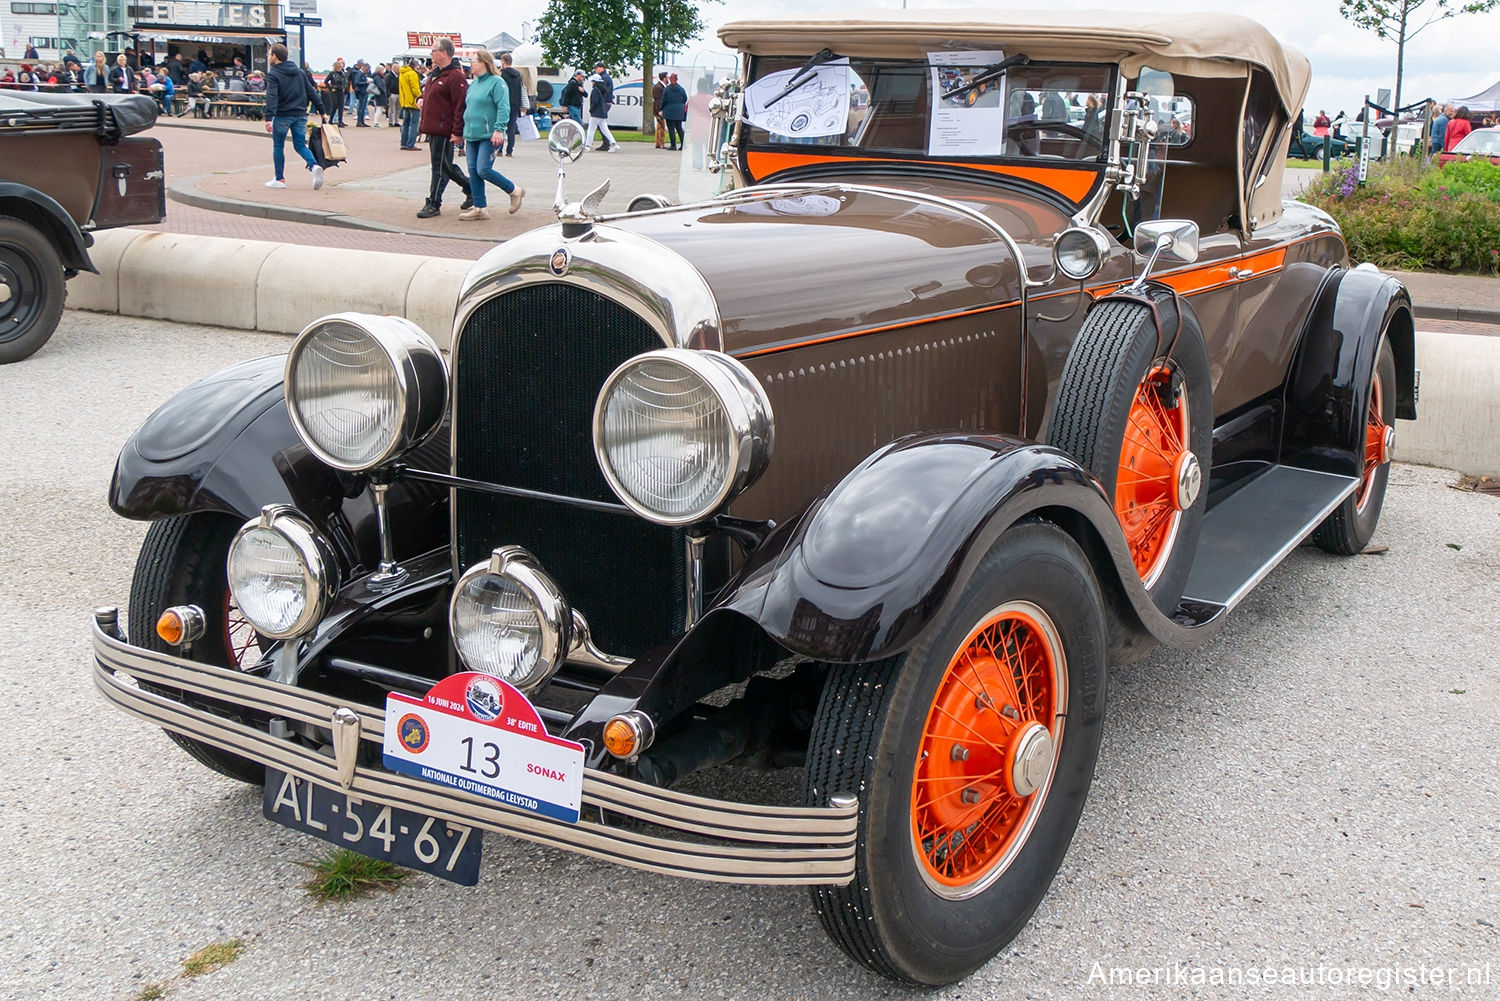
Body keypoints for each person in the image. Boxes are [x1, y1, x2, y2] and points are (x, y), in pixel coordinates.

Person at [460, 49, 524, 220]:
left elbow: (504, 107)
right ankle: (480, 208)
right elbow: (468, 107)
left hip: (489, 134)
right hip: (472, 134)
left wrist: (499, 129)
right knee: (473, 171)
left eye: (473, 61)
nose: (471, 64)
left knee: (483, 169)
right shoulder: (473, 84)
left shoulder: (497, 82)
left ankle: (514, 190)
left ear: (483, 63)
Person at [416, 37, 470, 218]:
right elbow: (432, 95)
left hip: (444, 130)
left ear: (444, 53)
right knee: (444, 165)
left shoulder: (455, 77)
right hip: (433, 128)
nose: (431, 54)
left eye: (434, 51)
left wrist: (457, 131)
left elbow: (460, 105)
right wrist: (421, 100)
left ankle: (434, 203)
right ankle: (471, 188)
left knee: (439, 167)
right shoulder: (436, 74)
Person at [262, 42, 325, 191]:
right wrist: (322, 111)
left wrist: (268, 117)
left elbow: (272, 96)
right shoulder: (300, 72)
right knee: (300, 145)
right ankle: (314, 165)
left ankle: (280, 179)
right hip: (300, 115)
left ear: (275, 56)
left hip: (283, 115)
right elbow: (311, 92)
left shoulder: (273, 74)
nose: (269, 56)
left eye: (270, 54)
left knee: (278, 146)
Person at [586, 64, 618, 151]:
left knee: (591, 129)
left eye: (597, 68)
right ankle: (613, 143)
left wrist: (591, 110)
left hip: (597, 111)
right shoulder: (603, 86)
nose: (595, 69)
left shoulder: (596, 89)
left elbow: (595, 102)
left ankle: (587, 145)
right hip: (602, 110)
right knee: (604, 128)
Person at [498, 51, 524, 157]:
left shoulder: (501, 74)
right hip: (515, 103)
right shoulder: (519, 75)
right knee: (512, 127)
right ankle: (509, 151)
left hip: (503, 103)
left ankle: (499, 149)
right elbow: (521, 90)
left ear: (503, 62)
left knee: (501, 126)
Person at [398, 59, 422, 150]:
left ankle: (403, 143)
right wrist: (420, 97)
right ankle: (410, 144)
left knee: (405, 123)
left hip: (404, 101)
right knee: (413, 124)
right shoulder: (412, 74)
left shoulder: (402, 73)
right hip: (413, 101)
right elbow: (415, 88)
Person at [660, 72, 687, 150]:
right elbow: (685, 98)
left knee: (671, 129)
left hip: (669, 111)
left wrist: (661, 108)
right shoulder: (681, 89)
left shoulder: (667, 89)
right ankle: (683, 144)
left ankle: (673, 145)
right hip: (679, 111)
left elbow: (663, 100)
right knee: (679, 128)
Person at [324, 59, 347, 125]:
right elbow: (326, 82)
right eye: (339, 67)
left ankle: (340, 121)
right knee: (334, 106)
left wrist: (344, 88)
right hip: (334, 92)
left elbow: (345, 82)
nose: (340, 68)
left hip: (341, 91)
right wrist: (331, 88)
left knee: (341, 107)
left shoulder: (343, 74)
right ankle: (331, 120)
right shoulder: (332, 74)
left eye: (341, 67)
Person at [351, 61, 370, 126]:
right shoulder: (359, 73)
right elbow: (357, 82)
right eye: (367, 69)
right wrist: (366, 82)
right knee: (361, 108)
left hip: (365, 92)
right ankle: (359, 122)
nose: (367, 71)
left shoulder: (363, 74)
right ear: (363, 67)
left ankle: (362, 121)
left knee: (363, 107)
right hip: (361, 92)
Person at [652, 71, 668, 147]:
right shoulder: (659, 87)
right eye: (667, 77)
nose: (668, 79)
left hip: (659, 109)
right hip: (659, 110)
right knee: (661, 126)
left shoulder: (660, 86)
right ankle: (661, 142)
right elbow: (658, 100)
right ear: (664, 78)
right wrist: (659, 110)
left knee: (659, 126)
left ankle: (658, 142)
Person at [385, 63, 401, 132]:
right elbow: (386, 85)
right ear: (394, 69)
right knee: (391, 109)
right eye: (397, 69)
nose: (399, 70)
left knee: (398, 108)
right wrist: (388, 94)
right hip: (392, 94)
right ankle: (391, 121)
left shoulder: (400, 76)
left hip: (399, 94)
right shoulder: (389, 76)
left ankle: (396, 121)